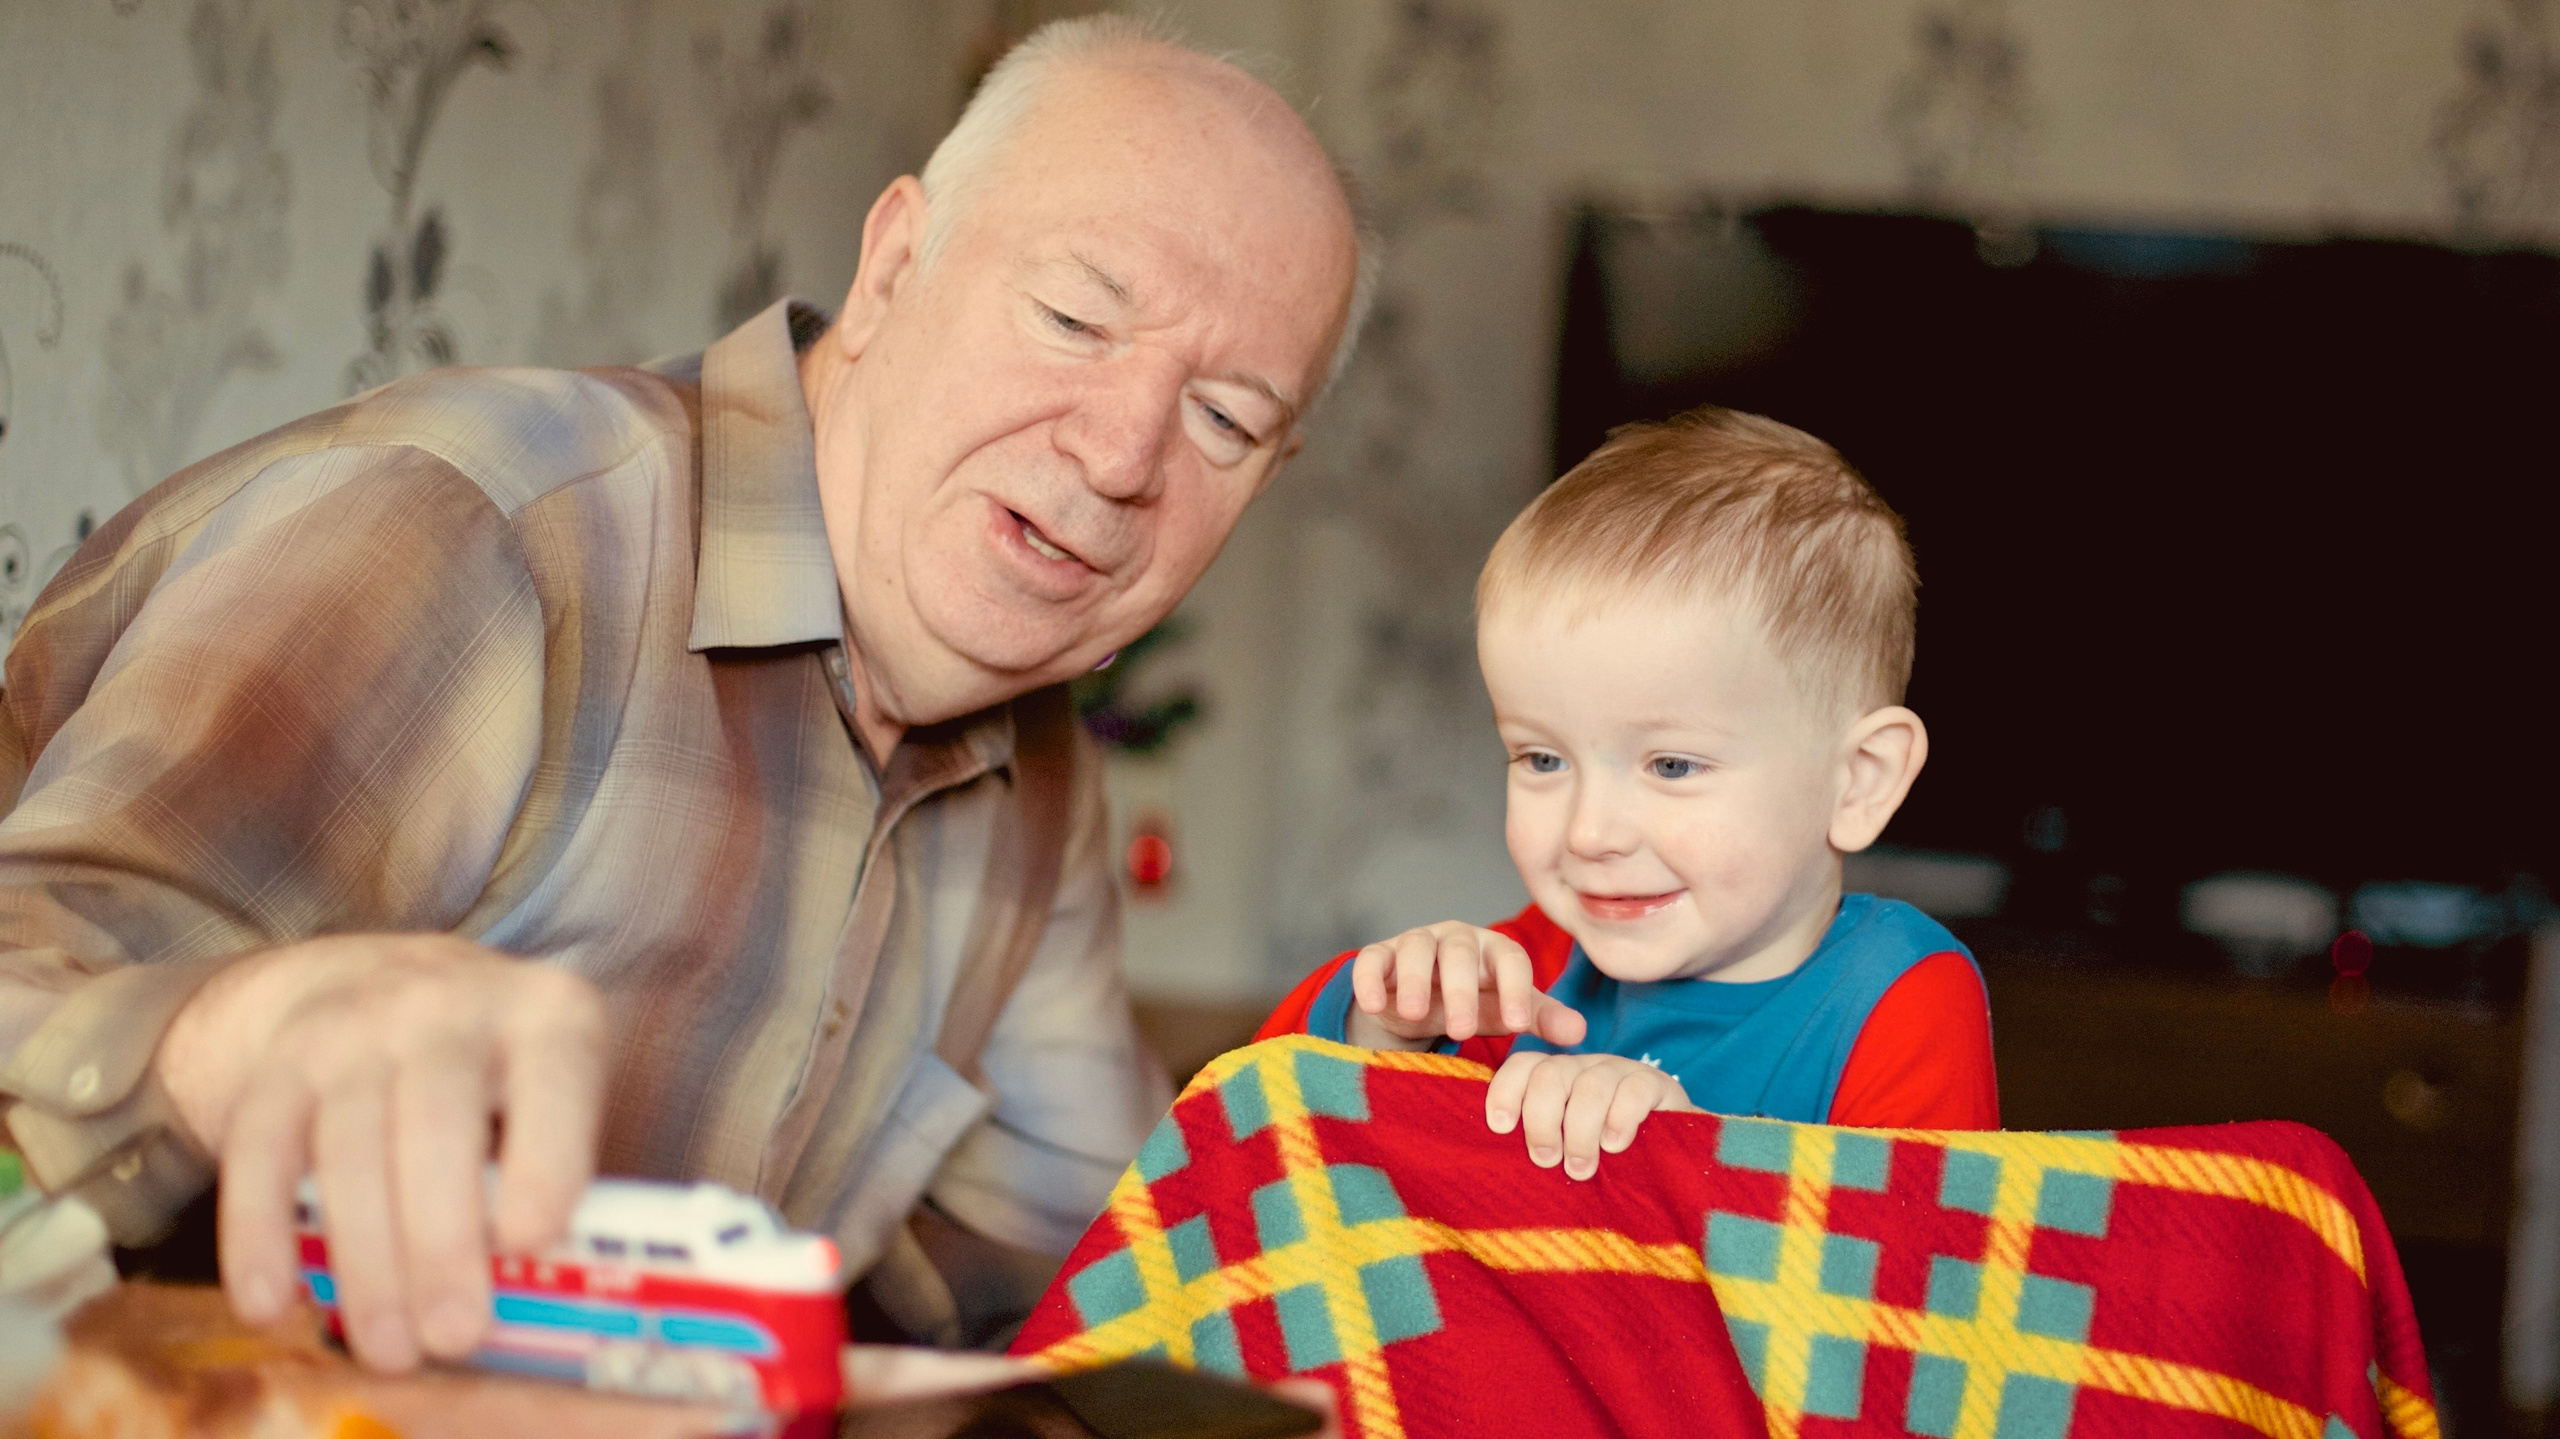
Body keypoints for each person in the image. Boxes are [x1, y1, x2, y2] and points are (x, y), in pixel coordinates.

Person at [0, 17, 1371, 1368]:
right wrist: (207, 1041)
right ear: (895, 264)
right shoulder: (483, 526)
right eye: (1076, 317)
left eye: (1225, 420)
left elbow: (1084, 1279)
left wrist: (1369, 1120)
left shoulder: (1039, 763)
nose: (1127, 453)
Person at [1257, 407, 1998, 1178]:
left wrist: (1686, 1164)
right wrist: (1382, 1024)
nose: (1589, 833)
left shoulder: (1897, 997)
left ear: (1859, 781)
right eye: (1542, 758)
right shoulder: (1527, 973)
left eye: (1671, 766)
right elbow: (1257, 1134)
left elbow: (1919, 1282)